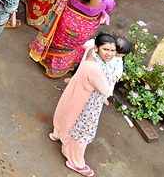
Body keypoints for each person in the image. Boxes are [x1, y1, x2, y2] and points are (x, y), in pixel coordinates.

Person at [52, 34, 124, 176]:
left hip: (75, 92)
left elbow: (86, 44)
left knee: (65, 112)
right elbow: (107, 90)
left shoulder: (90, 49)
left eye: (112, 50)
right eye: (106, 50)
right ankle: (75, 162)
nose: (110, 54)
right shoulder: (96, 70)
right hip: (86, 102)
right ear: (97, 47)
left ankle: (58, 133)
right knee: (81, 131)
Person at [30, 0, 115, 78]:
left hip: (65, 22)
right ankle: (55, 70)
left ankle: (43, 55)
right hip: (84, 30)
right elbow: (110, 7)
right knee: (69, 48)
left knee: (56, 40)